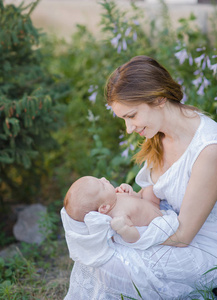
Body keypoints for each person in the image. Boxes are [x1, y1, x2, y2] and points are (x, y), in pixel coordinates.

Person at [63, 55, 217, 300]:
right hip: (161, 227)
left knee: (107, 261)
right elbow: (151, 197)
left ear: (158, 99)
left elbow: (184, 235)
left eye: (131, 115)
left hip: (197, 246)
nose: (129, 128)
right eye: (124, 118)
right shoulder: (158, 134)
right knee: (95, 252)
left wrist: (127, 236)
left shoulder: (209, 150)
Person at [64, 175, 163, 243]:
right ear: (104, 208)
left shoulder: (113, 197)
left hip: (151, 204)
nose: (104, 179)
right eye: (103, 185)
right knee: (151, 189)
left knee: (150, 189)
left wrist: (130, 191)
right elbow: (135, 237)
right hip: (155, 219)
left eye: (99, 179)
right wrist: (123, 229)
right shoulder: (119, 215)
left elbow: (136, 198)